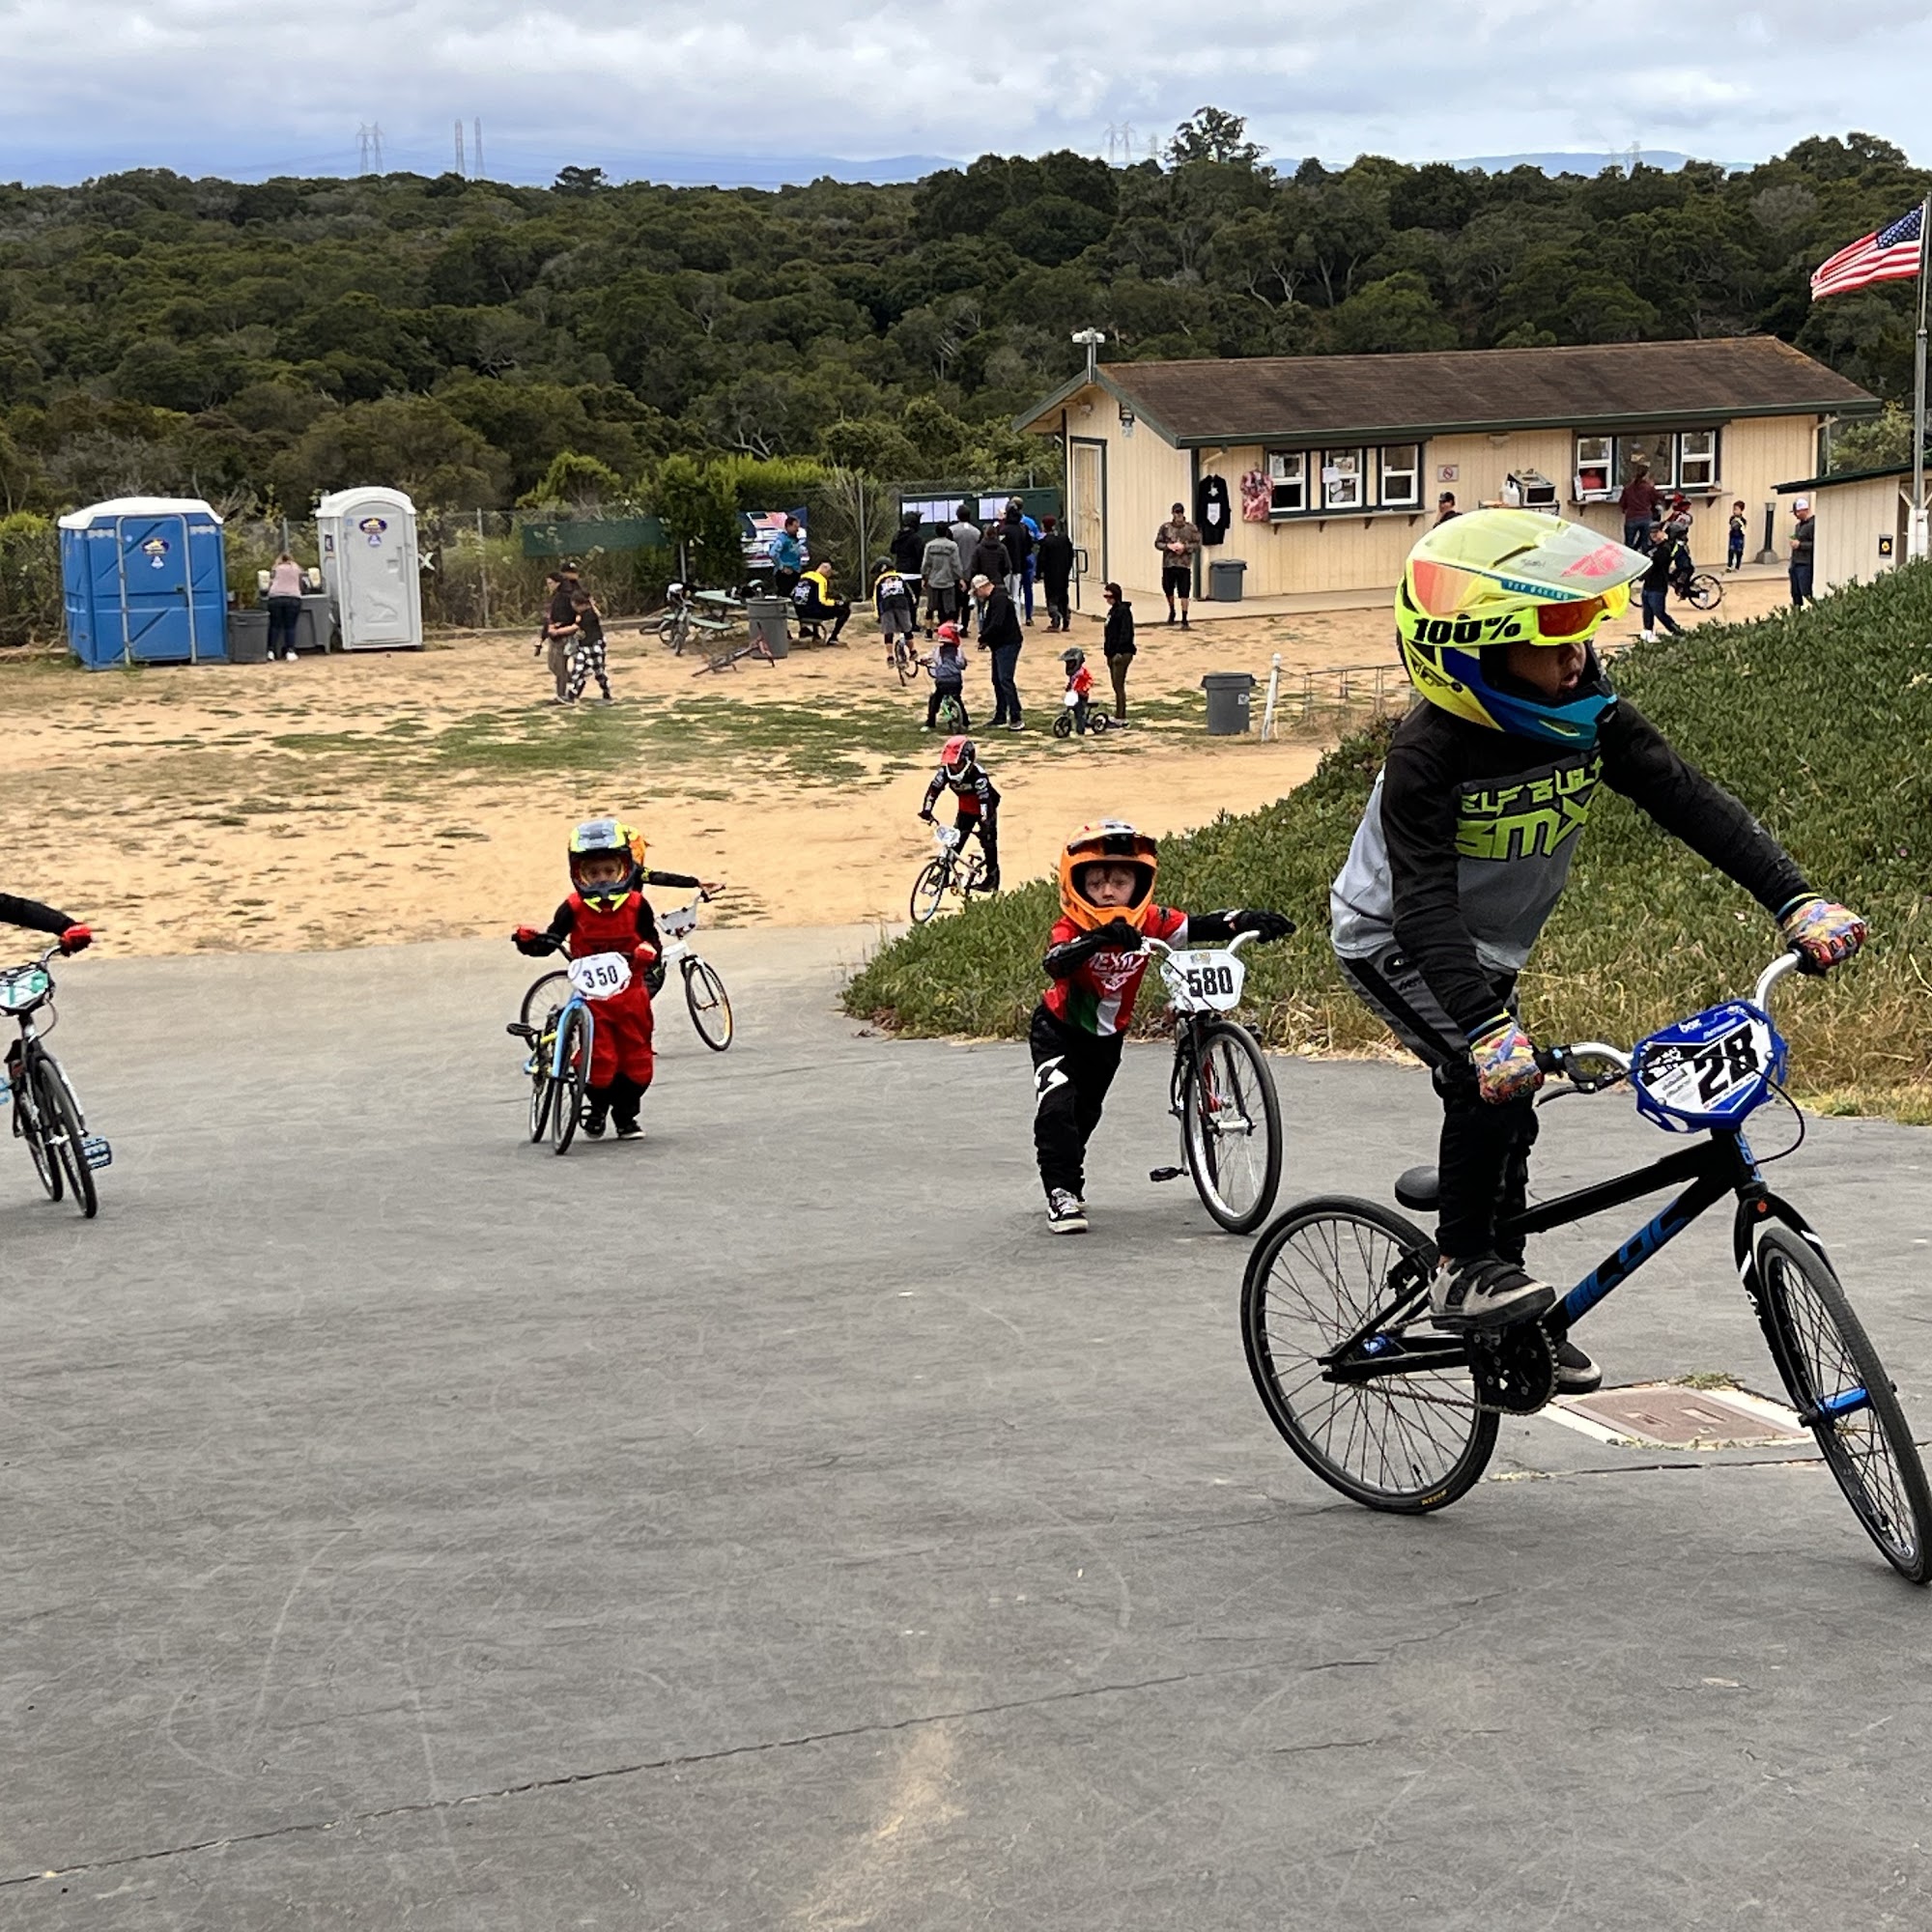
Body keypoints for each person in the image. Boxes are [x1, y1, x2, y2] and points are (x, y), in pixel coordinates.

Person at [1328, 508, 1864, 1376]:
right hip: (1394, 941)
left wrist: (1796, 899)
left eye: (1582, 630)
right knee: (1487, 1082)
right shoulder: (1429, 753)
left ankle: (1510, 1331)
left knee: (1511, 1113)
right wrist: (1483, 1031)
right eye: (1551, 639)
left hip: (1490, 951)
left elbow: (1690, 801)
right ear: (1474, 653)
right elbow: (1422, 905)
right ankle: (1465, 1269)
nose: (1577, 654)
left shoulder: (1592, 717)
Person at [1031, 821, 1293, 1234]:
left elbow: (1201, 926)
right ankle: (1062, 1190)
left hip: (1108, 1036)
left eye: (1120, 881)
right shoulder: (1071, 928)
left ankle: (1067, 1162)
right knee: (1058, 1105)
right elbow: (1056, 961)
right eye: (1097, 881)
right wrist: (1097, 940)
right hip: (1059, 1030)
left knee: (1086, 1110)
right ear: (1077, 884)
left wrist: (1244, 919)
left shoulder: (1150, 921)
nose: (1108, 891)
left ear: (1140, 883)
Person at [512, 820, 721, 1140]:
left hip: (631, 995)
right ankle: (596, 1110)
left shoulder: (637, 905)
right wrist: (529, 941)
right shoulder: (573, 907)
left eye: (609, 871)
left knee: (637, 1061)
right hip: (594, 1000)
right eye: (593, 873)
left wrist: (645, 951)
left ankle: (626, 1117)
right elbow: (552, 939)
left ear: (623, 868)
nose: (602, 879)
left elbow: (653, 940)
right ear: (579, 872)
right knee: (601, 1059)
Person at [918, 735, 1000, 891]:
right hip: (965, 810)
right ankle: (944, 875)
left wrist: (986, 825)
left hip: (986, 809)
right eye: (951, 764)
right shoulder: (944, 773)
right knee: (954, 842)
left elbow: (985, 803)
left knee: (989, 844)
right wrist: (927, 810)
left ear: (969, 760)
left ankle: (992, 880)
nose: (954, 768)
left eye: (958, 764)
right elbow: (933, 791)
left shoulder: (979, 776)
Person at [973, 573, 1025, 729]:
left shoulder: (999, 599)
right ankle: (1000, 714)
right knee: (997, 679)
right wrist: (986, 640)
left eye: (976, 592)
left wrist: (984, 637)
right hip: (999, 644)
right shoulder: (992, 599)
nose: (977, 596)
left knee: (1005, 679)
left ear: (982, 588)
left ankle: (1016, 716)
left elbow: (997, 623)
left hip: (1008, 643)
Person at [559, 591, 613, 703]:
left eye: (576, 606)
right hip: (583, 647)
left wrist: (556, 632)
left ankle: (606, 692)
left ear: (583, 605)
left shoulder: (590, 614)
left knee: (599, 672)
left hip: (595, 647)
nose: (575, 608)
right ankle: (572, 694)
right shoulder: (582, 615)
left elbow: (576, 627)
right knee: (578, 671)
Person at [1154, 502, 1201, 627]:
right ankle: (1172, 610)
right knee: (1168, 589)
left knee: (1184, 591)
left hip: (1184, 564)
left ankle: (1185, 617)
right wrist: (1169, 546)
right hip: (1169, 563)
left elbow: (1197, 544)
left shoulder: (1191, 528)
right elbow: (1158, 543)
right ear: (1173, 513)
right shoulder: (1165, 528)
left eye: (1180, 512)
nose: (1178, 515)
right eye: (1176, 512)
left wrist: (1185, 548)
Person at [921, 523, 965, 637]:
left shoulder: (929, 546)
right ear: (946, 532)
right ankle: (946, 632)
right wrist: (960, 577)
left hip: (933, 581)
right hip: (948, 581)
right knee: (949, 609)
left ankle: (929, 632)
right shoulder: (952, 546)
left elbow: (926, 564)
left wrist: (924, 577)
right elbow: (956, 563)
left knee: (931, 607)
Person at [1637, 529, 1683, 640]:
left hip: (1659, 585)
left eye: (1656, 532)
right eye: (1651, 533)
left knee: (1659, 612)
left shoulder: (1666, 547)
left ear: (1662, 533)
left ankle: (1677, 632)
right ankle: (1648, 633)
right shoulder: (1649, 547)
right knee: (1647, 611)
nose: (1654, 535)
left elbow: (1659, 562)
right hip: (1648, 584)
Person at [923, 621, 969, 728]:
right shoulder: (958, 651)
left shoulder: (937, 651)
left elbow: (926, 658)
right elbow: (962, 663)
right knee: (957, 699)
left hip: (942, 681)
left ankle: (930, 722)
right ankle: (966, 722)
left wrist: (922, 660)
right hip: (956, 682)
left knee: (935, 699)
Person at [793, 559, 851, 642]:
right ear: (827, 572)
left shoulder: (804, 576)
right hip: (811, 613)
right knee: (845, 611)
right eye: (829, 573)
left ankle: (814, 633)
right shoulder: (821, 580)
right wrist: (837, 603)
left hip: (799, 611)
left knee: (812, 602)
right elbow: (822, 601)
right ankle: (833, 638)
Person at [873, 558, 918, 666]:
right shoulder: (900, 577)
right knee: (907, 629)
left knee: (888, 632)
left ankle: (890, 657)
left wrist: (877, 614)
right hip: (902, 604)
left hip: (886, 606)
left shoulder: (879, 581)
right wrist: (912, 605)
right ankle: (913, 651)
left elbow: (876, 598)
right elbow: (910, 595)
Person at [1100, 582, 1135, 722]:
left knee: (1118, 685)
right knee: (1115, 685)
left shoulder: (1123, 611)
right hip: (1111, 653)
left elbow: (1126, 633)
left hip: (1121, 654)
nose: (1107, 599)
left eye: (1109, 596)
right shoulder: (1112, 611)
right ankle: (1118, 713)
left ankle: (1121, 715)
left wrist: (1119, 652)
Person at [1036, 516, 1074, 631]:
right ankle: (1066, 620)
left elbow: (1041, 559)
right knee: (1063, 596)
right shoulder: (1064, 538)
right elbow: (1071, 554)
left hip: (1051, 574)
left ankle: (1055, 619)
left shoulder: (1046, 541)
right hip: (1063, 573)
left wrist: (1038, 574)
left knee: (1052, 597)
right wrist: (1068, 568)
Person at [266, 552, 305, 663]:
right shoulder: (296, 568)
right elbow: (301, 584)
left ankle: (271, 651)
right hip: (293, 598)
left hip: (275, 598)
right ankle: (290, 652)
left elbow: (270, 584)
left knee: (274, 625)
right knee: (290, 626)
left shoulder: (276, 568)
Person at [997, 498, 1035, 611]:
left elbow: (1000, 550)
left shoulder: (1004, 530)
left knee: (1007, 595)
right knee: (1016, 596)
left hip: (1006, 568)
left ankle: (1007, 622)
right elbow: (1029, 547)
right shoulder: (1023, 528)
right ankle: (1017, 622)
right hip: (1019, 566)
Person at [1618, 462, 1659, 552]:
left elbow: (1622, 503)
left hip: (1631, 518)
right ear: (1646, 475)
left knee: (1629, 545)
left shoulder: (1628, 488)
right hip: (1645, 517)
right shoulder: (1648, 488)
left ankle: (1630, 562)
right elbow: (1656, 499)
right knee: (1645, 544)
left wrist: (1625, 509)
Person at [1058, 645, 1094, 735]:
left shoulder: (1082, 672)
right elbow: (1072, 682)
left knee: (1079, 713)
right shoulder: (1073, 674)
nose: (1068, 665)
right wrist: (1069, 686)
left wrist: (1084, 689)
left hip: (1081, 695)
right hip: (1073, 694)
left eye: (1070, 663)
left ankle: (1081, 729)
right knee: (1070, 707)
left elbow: (1090, 681)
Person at [1789, 497, 1817, 608]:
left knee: (1805, 591)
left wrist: (1801, 545)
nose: (1795, 515)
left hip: (1805, 564)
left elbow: (1816, 544)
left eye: (1797, 512)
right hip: (1795, 562)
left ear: (1805, 510)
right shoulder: (1798, 526)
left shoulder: (1813, 525)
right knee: (1795, 592)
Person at [770, 517, 805, 603]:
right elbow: (773, 553)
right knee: (784, 597)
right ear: (788, 526)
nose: (797, 530)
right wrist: (782, 567)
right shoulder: (782, 539)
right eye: (795, 527)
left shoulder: (794, 539)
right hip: (786, 574)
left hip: (795, 571)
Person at [890, 510, 926, 578]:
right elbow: (921, 555)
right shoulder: (916, 539)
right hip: (913, 572)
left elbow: (892, 550)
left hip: (899, 569)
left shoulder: (898, 536)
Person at [1727, 499, 1747, 572]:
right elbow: (1731, 524)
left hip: (1740, 537)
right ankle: (1729, 565)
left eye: (1736, 509)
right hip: (1733, 536)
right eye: (1734, 509)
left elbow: (1743, 527)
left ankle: (1737, 566)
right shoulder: (1732, 518)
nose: (1734, 511)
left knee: (1739, 552)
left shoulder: (1743, 520)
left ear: (1741, 510)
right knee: (1731, 551)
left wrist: (1739, 524)